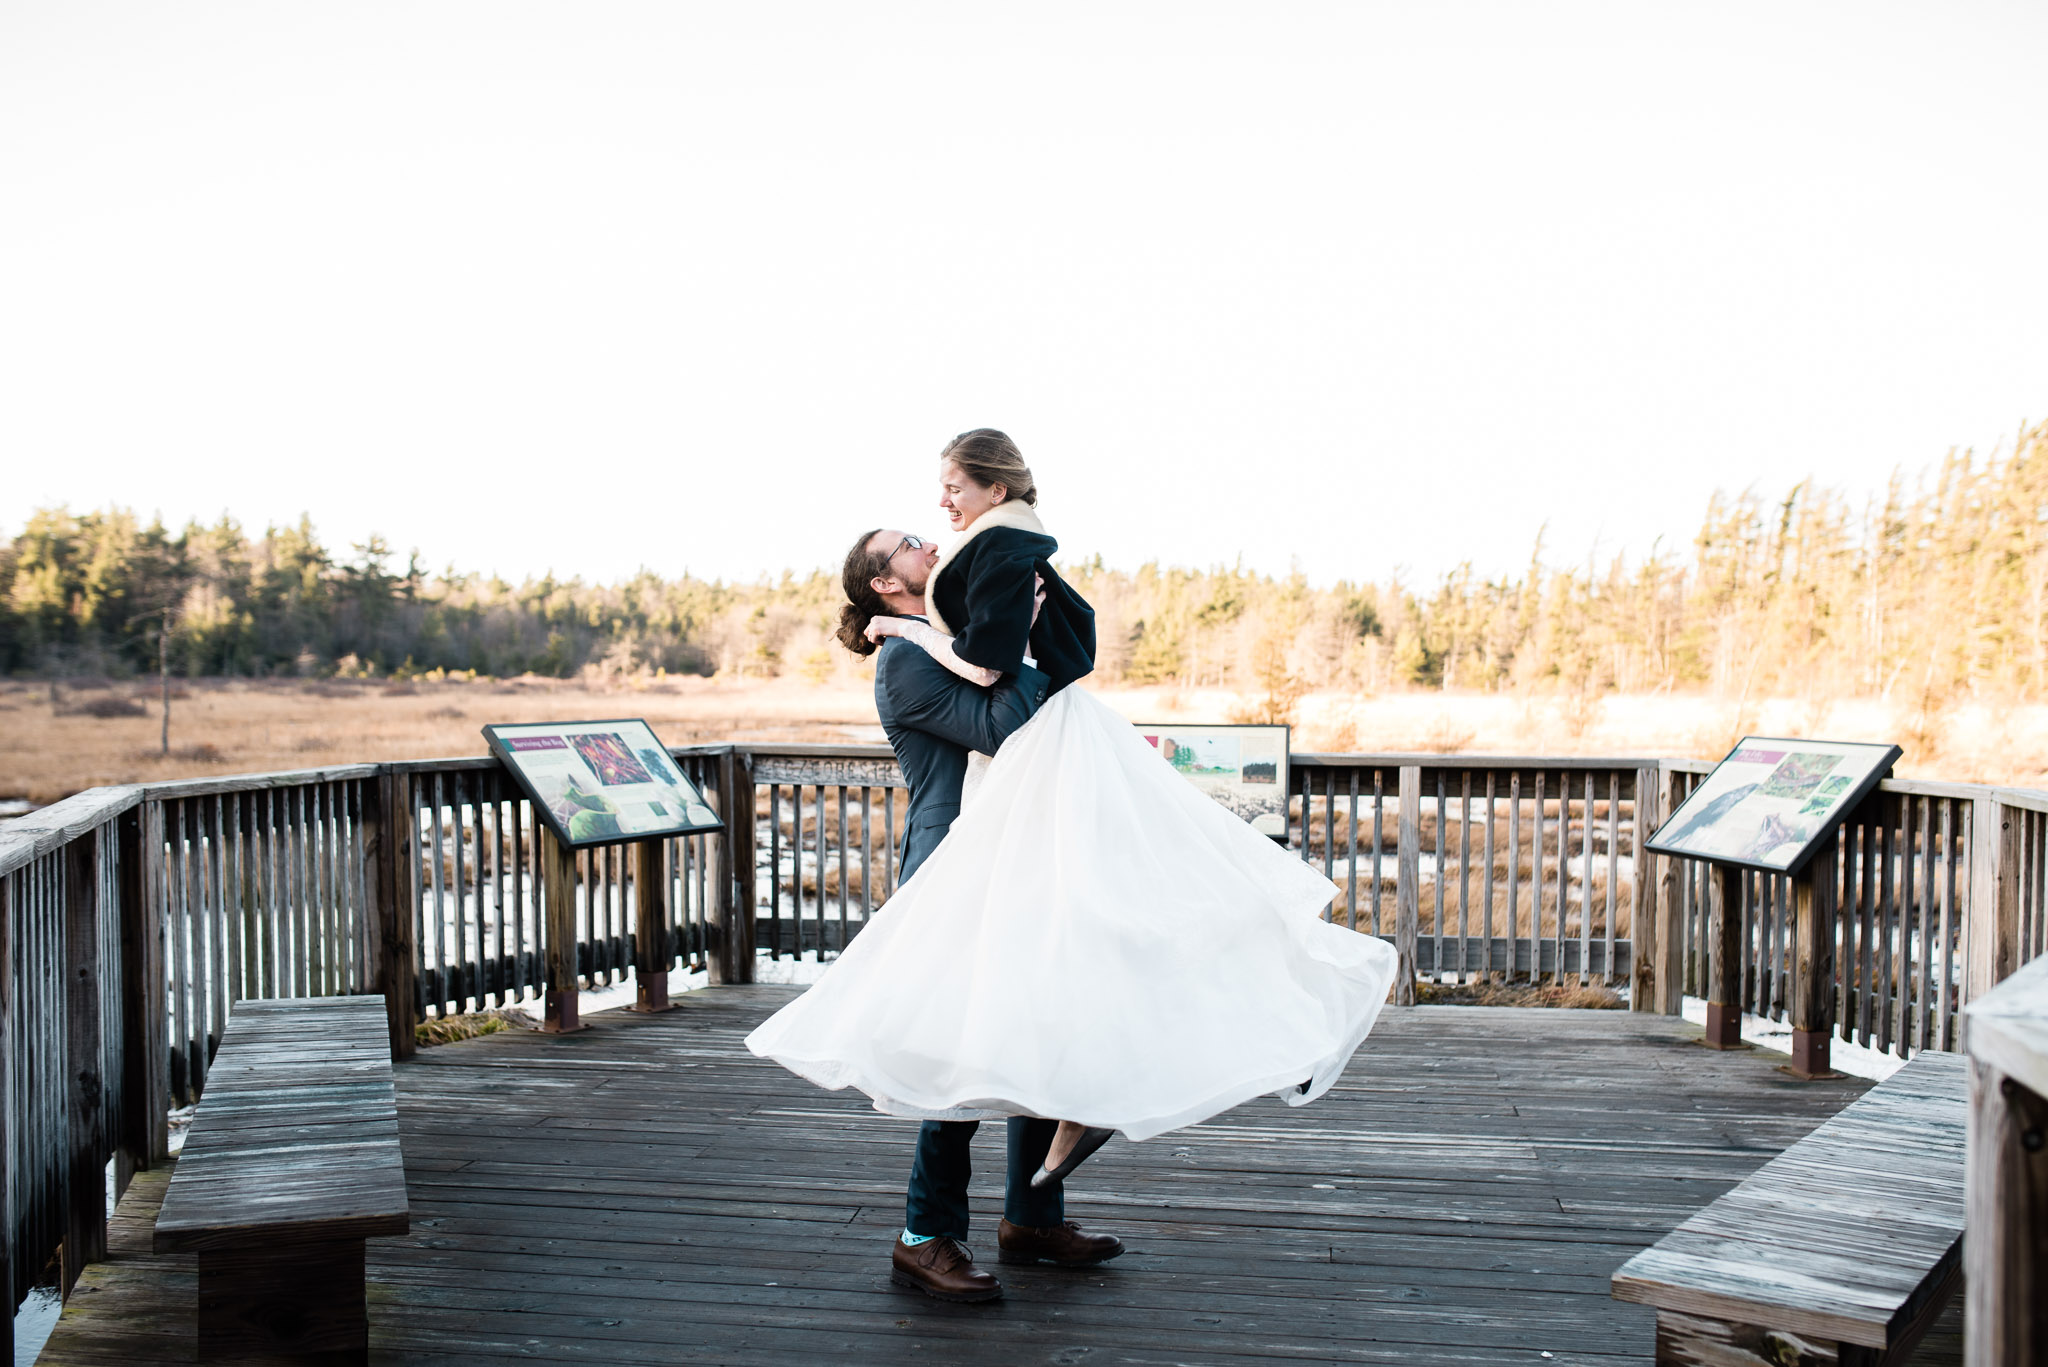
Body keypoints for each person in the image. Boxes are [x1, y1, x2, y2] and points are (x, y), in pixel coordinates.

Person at [746, 429, 1398, 1296]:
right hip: (957, 869)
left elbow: (1063, 656)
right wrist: (1027, 664)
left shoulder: (965, 623)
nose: (927, 538)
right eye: (906, 543)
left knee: (1042, 1027)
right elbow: (998, 726)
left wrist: (1035, 594)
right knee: (959, 1053)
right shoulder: (904, 660)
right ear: (881, 582)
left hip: (1019, 860)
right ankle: (922, 1231)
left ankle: (1030, 1219)